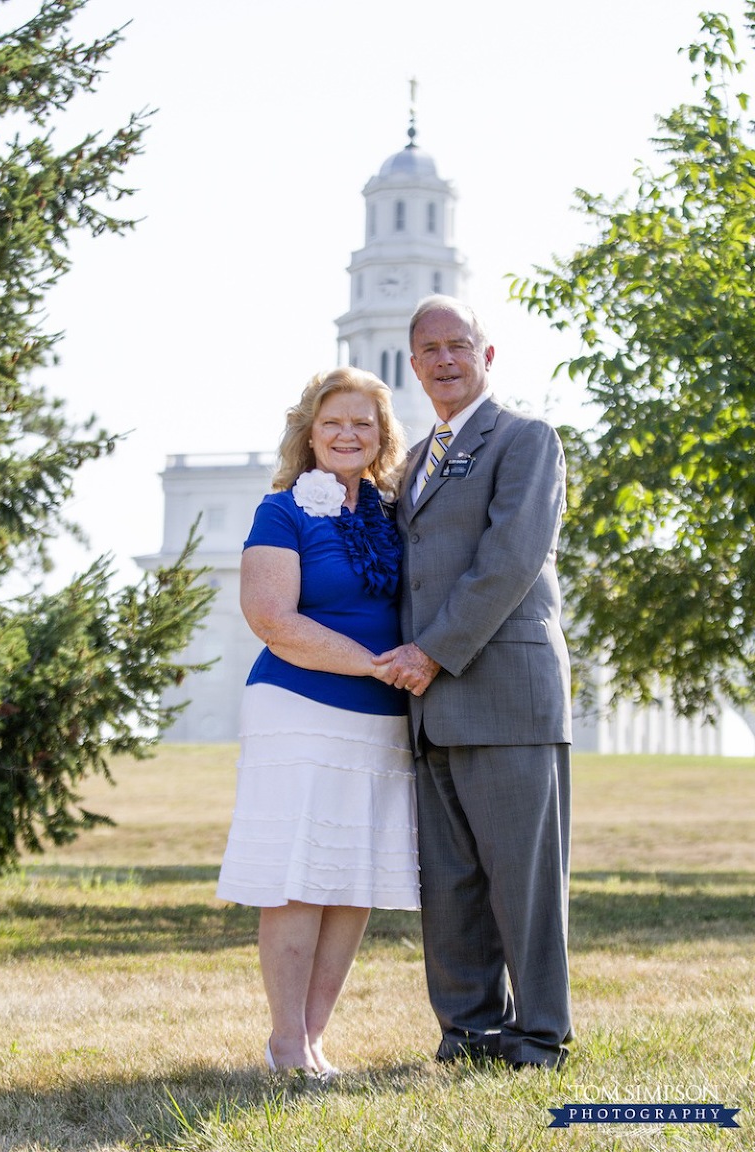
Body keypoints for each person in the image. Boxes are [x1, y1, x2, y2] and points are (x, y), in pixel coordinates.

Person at [372, 295, 573, 1070]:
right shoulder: (413, 460)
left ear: (487, 357)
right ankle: (469, 1032)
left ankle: (540, 1037)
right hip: (428, 711)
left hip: (507, 694)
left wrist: (431, 651)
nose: (446, 359)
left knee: (524, 883)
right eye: (431, 349)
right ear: (415, 366)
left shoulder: (525, 441)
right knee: (449, 885)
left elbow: (510, 561)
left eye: (461, 345)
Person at [216, 366, 419, 1079]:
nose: (347, 434)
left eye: (364, 423)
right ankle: (284, 1041)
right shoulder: (283, 510)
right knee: (300, 875)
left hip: (384, 718)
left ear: (381, 437)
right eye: (334, 421)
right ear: (309, 431)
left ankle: (313, 1038)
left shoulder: (394, 514)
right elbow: (274, 621)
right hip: (298, 710)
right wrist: (371, 664)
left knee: (352, 879)